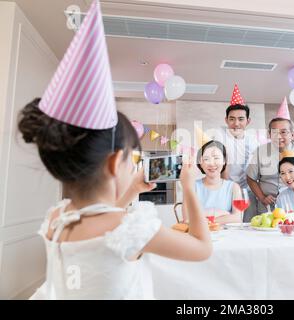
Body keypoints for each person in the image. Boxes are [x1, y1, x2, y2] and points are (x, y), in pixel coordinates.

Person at [23, 1, 211, 299]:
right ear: (113, 164)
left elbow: (104, 217)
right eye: (131, 160)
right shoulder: (131, 228)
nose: (134, 167)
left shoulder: (57, 218)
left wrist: (134, 189)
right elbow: (202, 248)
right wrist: (189, 187)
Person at [246, 118, 294, 214]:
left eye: (283, 132)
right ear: (269, 135)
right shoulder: (260, 152)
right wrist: (262, 198)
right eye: (274, 133)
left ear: (292, 135)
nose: (278, 136)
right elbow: (250, 178)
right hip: (268, 207)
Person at [215, 84, 259, 221]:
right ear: (226, 120)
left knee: (248, 224)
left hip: (247, 191)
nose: (236, 123)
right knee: (225, 224)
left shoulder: (253, 141)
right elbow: (219, 166)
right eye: (232, 119)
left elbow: (256, 169)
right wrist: (229, 188)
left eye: (241, 119)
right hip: (225, 189)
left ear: (248, 121)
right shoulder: (219, 137)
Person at [182, 140, 241, 225]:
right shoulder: (191, 186)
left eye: (216, 158)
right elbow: (187, 219)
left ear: (224, 161)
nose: (211, 163)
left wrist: (204, 216)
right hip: (200, 235)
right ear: (201, 162)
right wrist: (222, 214)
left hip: (228, 235)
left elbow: (237, 218)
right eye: (206, 159)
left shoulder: (234, 187)